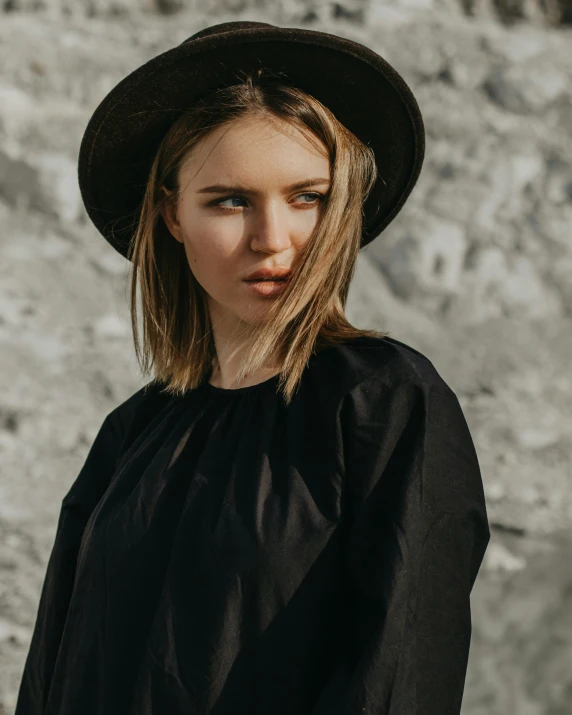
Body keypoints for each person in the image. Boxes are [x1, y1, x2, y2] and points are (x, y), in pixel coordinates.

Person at [14, 20, 490, 715]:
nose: (274, 241)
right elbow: (52, 674)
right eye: (230, 201)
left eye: (308, 197)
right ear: (171, 214)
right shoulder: (131, 435)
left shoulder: (385, 404)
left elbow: (401, 675)